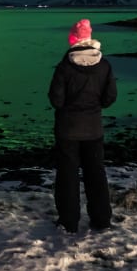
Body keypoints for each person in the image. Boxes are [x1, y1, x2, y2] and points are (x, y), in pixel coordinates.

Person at [48, 18, 118, 233]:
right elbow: (109, 98)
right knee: (96, 174)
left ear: (74, 39)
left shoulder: (64, 66)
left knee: (67, 176)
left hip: (68, 130)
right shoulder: (104, 65)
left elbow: (56, 100)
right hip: (93, 129)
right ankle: (101, 220)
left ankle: (69, 222)